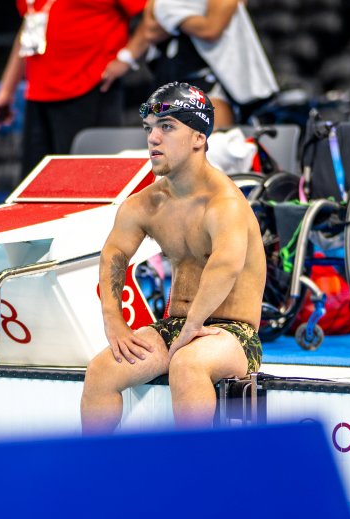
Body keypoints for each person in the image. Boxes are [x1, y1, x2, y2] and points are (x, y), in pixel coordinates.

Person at [81, 82, 265, 431]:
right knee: (101, 370)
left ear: (198, 137)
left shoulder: (224, 204)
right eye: (149, 128)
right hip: (178, 326)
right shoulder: (148, 204)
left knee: (187, 365)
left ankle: (194, 477)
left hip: (232, 334)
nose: (153, 138)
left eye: (167, 128)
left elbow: (224, 268)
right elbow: (114, 254)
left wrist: (195, 326)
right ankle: (94, 475)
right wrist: (113, 320)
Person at [0, 0, 146, 178]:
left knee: (86, 182)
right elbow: (28, 27)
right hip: (38, 95)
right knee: (34, 184)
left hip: (89, 88)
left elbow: (152, 15)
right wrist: (7, 90)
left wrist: (127, 57)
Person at [100, 0, 278, 129]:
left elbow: (211, 29)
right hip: (168, 80)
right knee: (165, 158)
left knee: (213, 153)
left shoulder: (169, 9)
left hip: (210, 83)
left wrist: (170, 14)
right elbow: (150, 30)